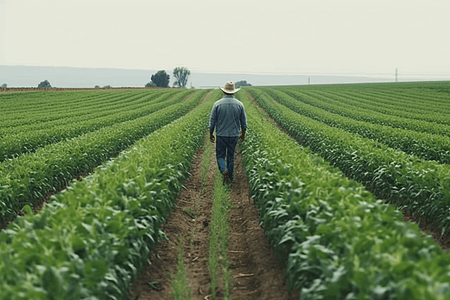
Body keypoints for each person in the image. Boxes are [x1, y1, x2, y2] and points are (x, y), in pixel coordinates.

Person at [208, 81, 248, 184]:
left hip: (221, 135)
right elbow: (244, 122)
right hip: (234, 135)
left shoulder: (217, 104)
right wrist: (243, 134)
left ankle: (223, 169)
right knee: (231, 156)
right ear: (233, 92)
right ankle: (230, 178)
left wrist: (211, 134)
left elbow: (212, 121)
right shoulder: (240, 105)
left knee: (220, 155)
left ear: (224, 92)